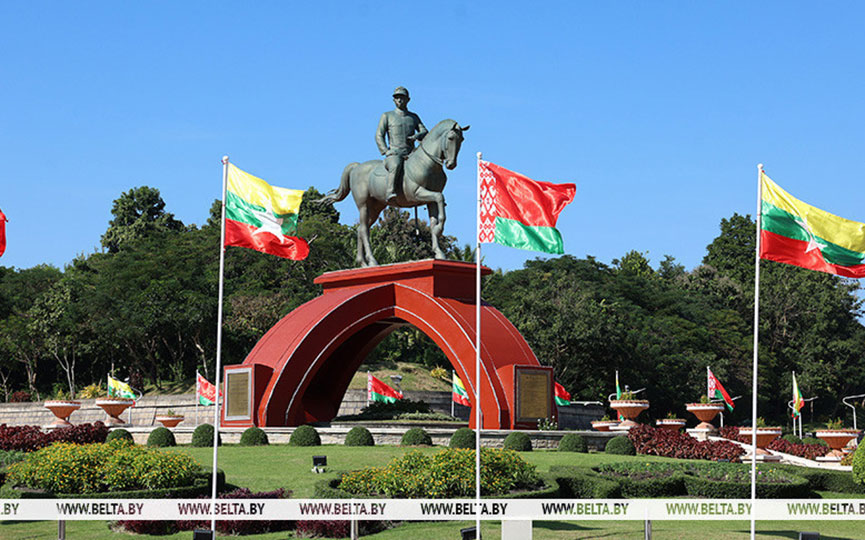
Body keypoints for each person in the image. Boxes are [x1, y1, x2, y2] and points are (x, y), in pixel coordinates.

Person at [376, 86, 427, 203]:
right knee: (396, 164)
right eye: (397, 98)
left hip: (411, 154)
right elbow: (379, 135)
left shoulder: (413, 117)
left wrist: (417, 136)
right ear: (393, 100)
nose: (399, 100)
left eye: (402, 98)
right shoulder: (387, 116)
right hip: (395, 153)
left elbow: (424, 131)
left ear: (408, 100)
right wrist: (385, 151)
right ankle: (390, 191)